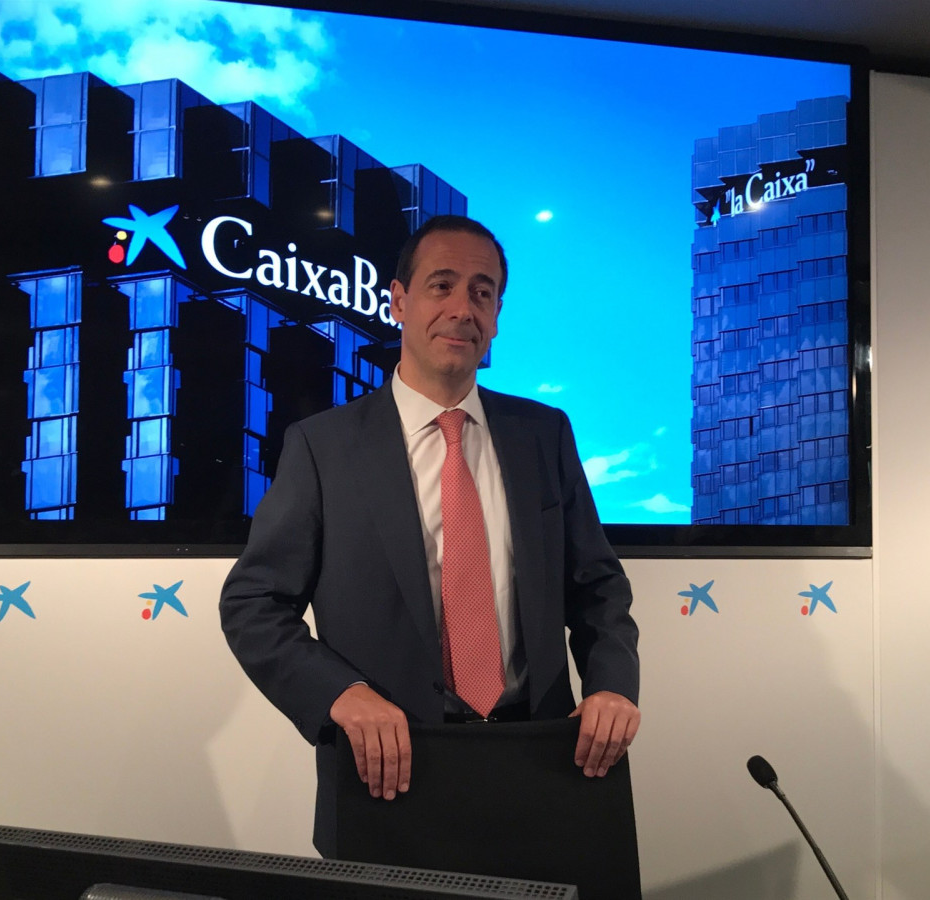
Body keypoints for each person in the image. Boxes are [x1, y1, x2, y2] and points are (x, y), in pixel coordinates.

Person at [220, 215, 639, 857]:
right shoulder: (322, 447)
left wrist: (611, 684)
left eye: (482, 291)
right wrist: (340, 694)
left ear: (496, 316)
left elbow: (597, 588)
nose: (462, 308)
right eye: (441, 285)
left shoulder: (544, 434)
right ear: (398, 301)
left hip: (540, 761)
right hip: (388, 772)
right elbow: (253, 603)